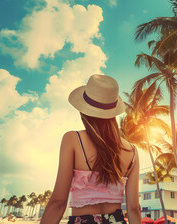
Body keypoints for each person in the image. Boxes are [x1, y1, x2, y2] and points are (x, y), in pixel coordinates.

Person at [40, 74, 141, 224]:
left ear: (83, 110)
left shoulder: (73, 140)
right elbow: (134, 209)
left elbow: (58, 202)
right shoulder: (131, 151)